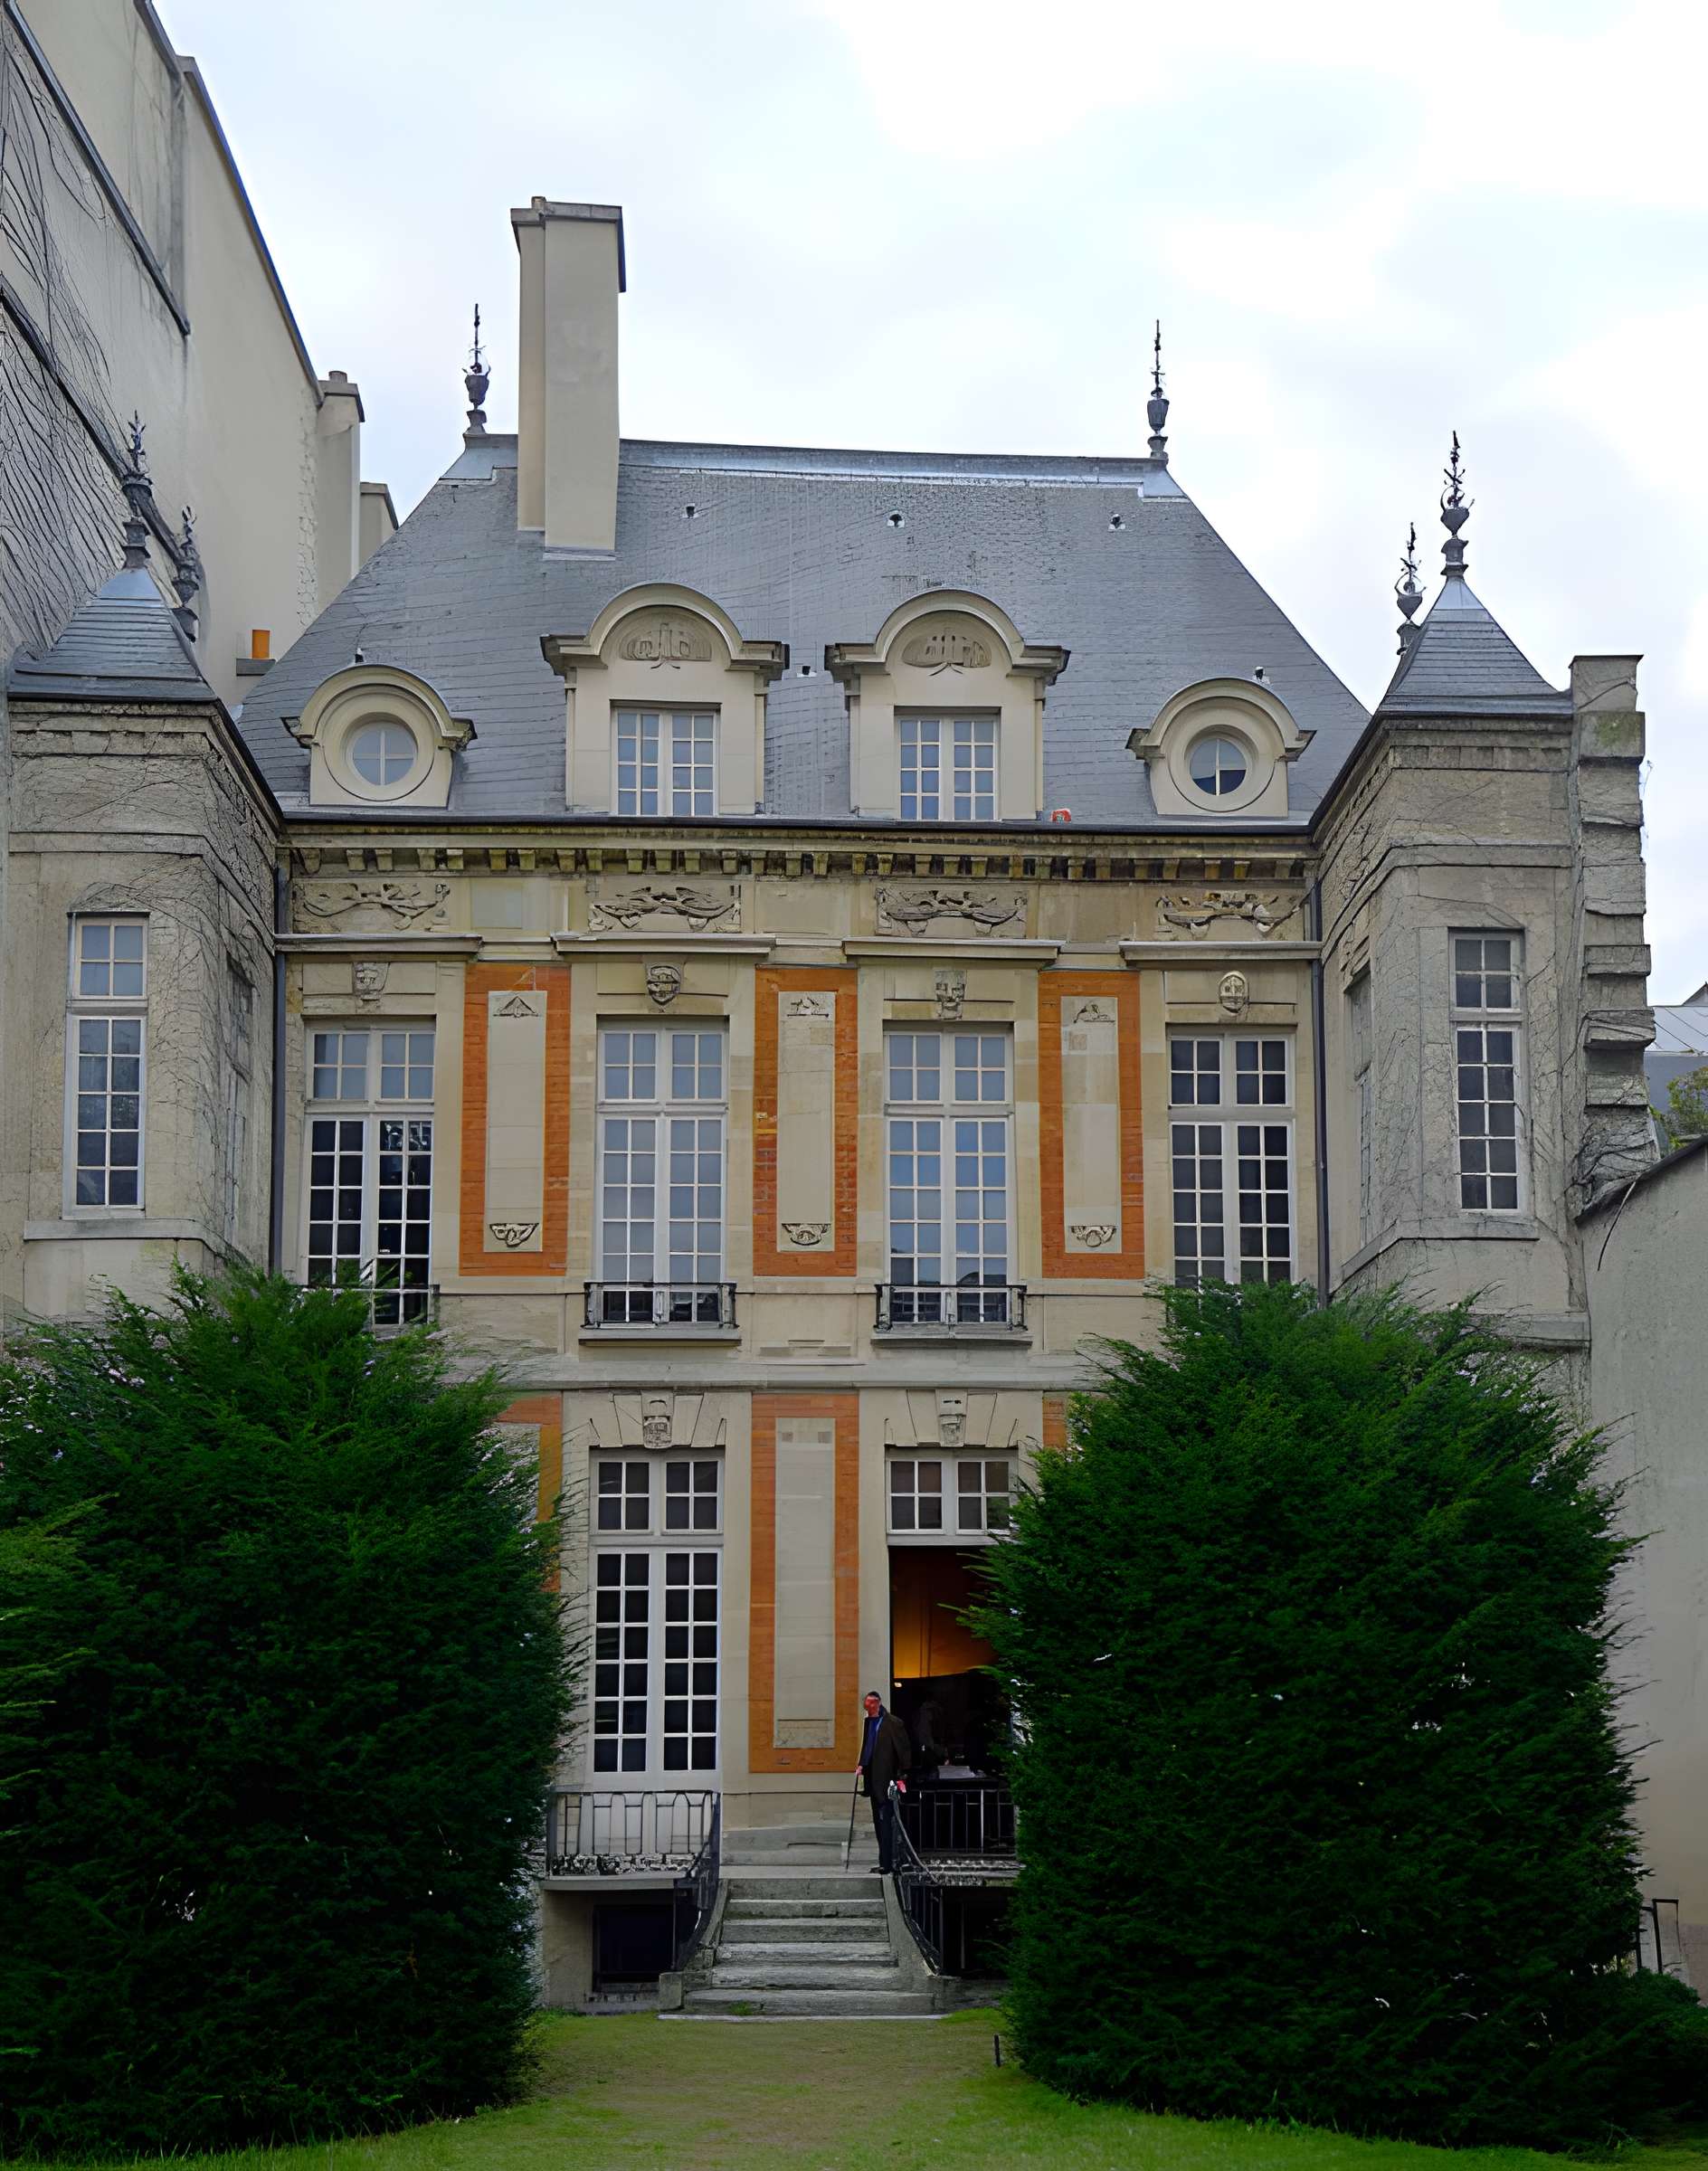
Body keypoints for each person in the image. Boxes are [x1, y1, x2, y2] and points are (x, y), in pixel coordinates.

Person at [855, 1688, 911, 1873]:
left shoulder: (893, 1723)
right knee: (879, 1822)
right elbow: (867, 1747)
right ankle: (884, 1861)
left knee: (888, 1820)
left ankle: (891, 1862)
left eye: (871, 1704)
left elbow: (903, 1752)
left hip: (889, 1781)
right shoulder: (869, 1722)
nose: (868, 1707)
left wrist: (901, 1776)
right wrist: (862, 1765)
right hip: (873, 1781)